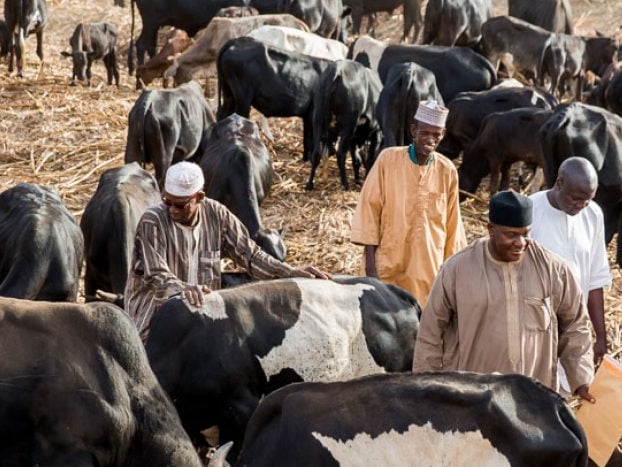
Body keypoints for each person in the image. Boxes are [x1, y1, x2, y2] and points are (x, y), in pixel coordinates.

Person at [414, 190, 595, 467]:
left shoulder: (552, 268)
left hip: (533, 397)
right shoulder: (458, 269)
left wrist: (581, 377)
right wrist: (428, 392)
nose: (520, 243)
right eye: (511, 235)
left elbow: (576, 324)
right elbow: (431, 332)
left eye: (526, 234)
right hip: (477, 401)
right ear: (490, 228)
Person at [124, 161, 329, 341]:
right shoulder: (153, 221)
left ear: (199, 197)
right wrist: (183, 289)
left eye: (180, 205)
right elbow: (157, 275)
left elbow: (250, 255)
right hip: (155, 319)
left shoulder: (217, 214)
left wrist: (289, 272)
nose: (172, 210)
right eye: (167, 202)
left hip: (200, 315)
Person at [351, 100, 466, 305]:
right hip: (388, 265)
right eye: (425, 133)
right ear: (414, 130)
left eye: (436, 135)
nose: (430, 140)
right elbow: (370, 212)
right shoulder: (388, 160)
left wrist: (450, 275)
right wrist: (370, 269)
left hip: (428, 267)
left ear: (443, 135)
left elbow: (453, 225)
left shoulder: (447, 170)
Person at [529, 157, 611, 376]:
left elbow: (595, 278)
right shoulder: (531, 209)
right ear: (559, 183)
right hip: (534, 326)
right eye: (576, 199)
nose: (581, 206)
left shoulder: (593, 214)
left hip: (573, 326)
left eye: (587, 201)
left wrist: (600, 336)